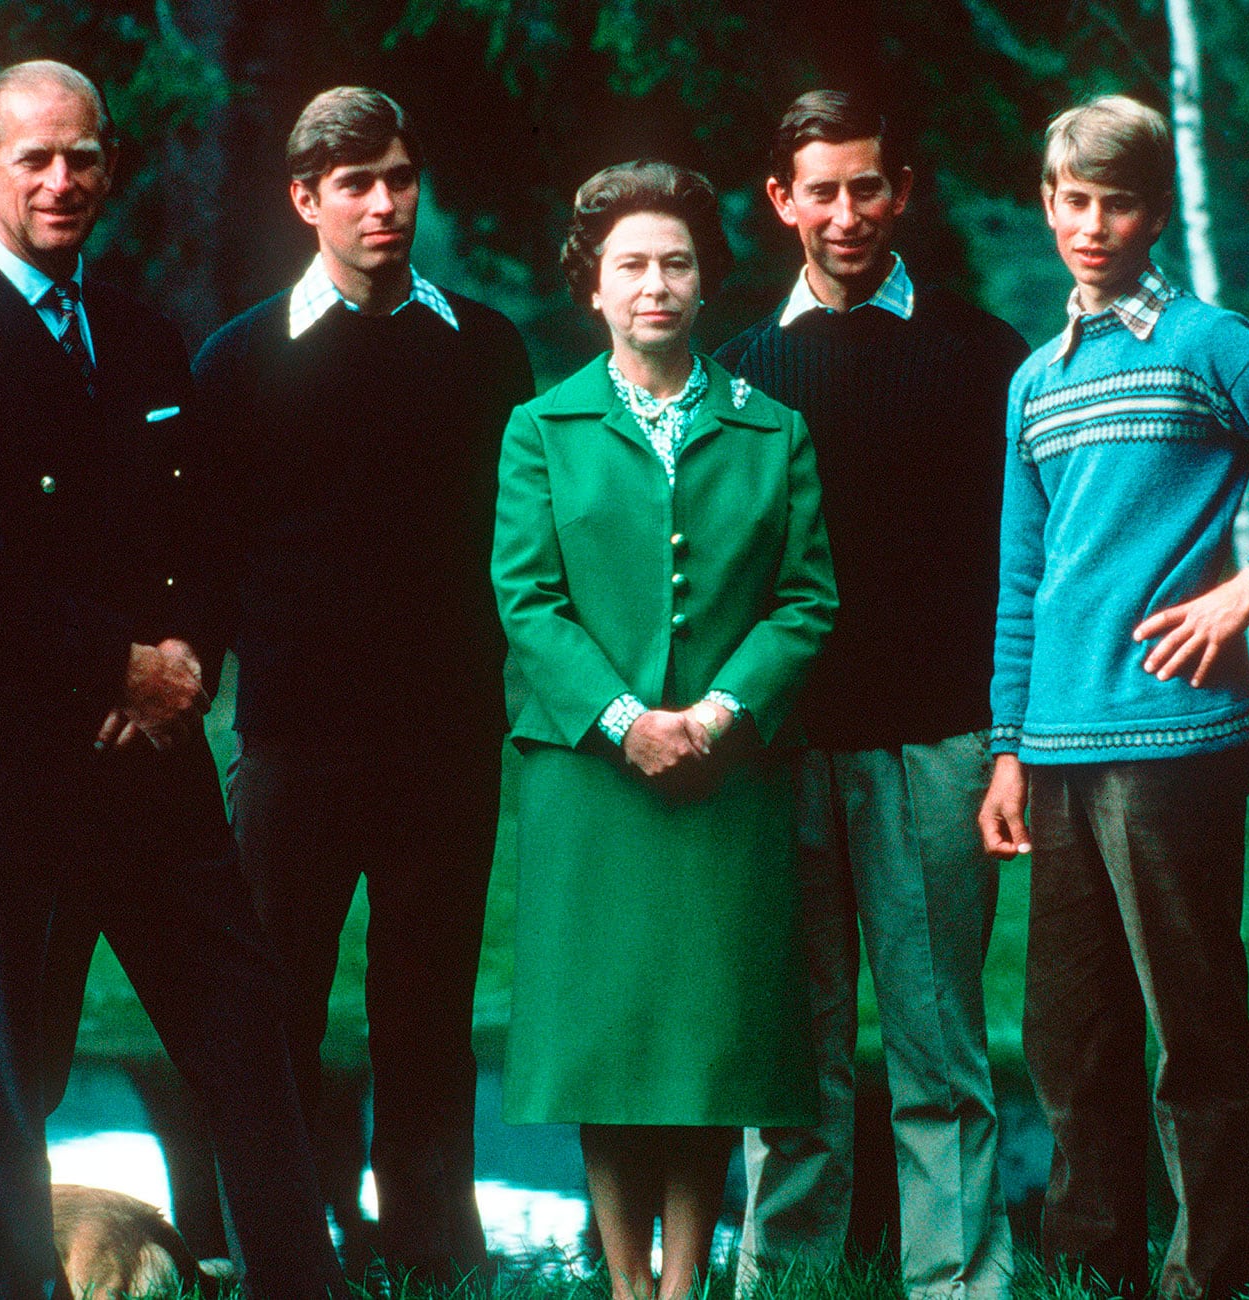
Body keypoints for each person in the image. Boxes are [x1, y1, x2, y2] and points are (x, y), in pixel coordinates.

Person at [0, 60, 346, 1300]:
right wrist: (118, 665)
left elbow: (205, 534)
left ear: (111, 164)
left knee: (248, 1038)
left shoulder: (140, 336)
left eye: (82, 155)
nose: (61, 179)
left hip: (156, 770)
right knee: (14, 1085)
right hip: (11, 781)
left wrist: (184, 663)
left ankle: (303, 1284)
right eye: (34, 157)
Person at [978, 94, 1249, 1300]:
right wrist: (1008, 750)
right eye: (1074, 200)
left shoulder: (1207, 343)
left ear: (1155, 210)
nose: (1094, 223)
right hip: (1054, 749)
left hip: (1177, 739)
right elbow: (1023, 577)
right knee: (1070, 1041)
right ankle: (1094, 1271)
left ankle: (1207, 1276)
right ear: (1048, 205)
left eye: (1119, 201)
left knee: (1194, 1035)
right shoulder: (1033, 383)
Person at [190, 86, 535, 1282]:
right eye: (355, 185)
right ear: (305, 201)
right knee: (276, 1006)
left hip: (445, 745)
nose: (384, 204)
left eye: (398, 178)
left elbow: (516, 552)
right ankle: (282, 1253)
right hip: (292, 747)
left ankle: (436, 1253)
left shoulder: (484, 349)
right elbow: (207, 563)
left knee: (426, 1016)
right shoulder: (236, 363)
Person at [492, 160, 837, 1300]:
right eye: (631, 264)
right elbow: (528, 600)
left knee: (707, 1044)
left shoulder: (772, 428)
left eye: (676, 263)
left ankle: (687, 1286)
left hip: (727, 780)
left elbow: (804, 599)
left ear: (706, 282)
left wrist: (718, 715)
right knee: (607, 1040)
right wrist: (628, 720)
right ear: (591, 285)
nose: (656, 284)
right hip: (592, 783)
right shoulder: (541, 426)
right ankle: (626, 1288)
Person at [715, 90, 1027, 1300]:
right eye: (822, 190)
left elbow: (1024, 562)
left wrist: (1008, 742)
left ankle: (959, 1282)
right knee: (792, 1057)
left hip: (936, 747)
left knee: (938, 1049)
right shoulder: (740, 374)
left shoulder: (983, 354)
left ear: (904, 192)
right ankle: (783, 1280)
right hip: (780, 757)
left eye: (870, 186)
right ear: (782, 200)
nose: (848, 214)